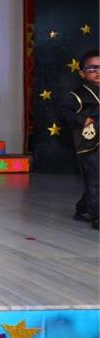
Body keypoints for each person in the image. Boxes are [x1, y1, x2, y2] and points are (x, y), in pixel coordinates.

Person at [61, 50, 99, 230]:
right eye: (93, 68)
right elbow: (65, 112)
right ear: (82, 73)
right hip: (89, 145)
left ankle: (83, 208)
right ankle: (97, 215)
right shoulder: (77, 95)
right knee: (95, 179)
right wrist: (82, 119)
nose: (98, 72)